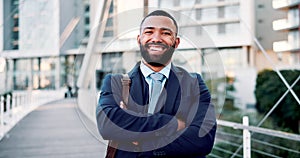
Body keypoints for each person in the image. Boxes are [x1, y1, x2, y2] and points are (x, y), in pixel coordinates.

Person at [96, 10, 216, 158]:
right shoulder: (115, 82)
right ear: (139, 39)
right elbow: (106, 126)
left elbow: (202, 140)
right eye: (149, 32)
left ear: (176, 42)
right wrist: (172, 124)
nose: (156, 38)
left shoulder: (194, 84)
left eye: (165, 33)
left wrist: (139, 140)